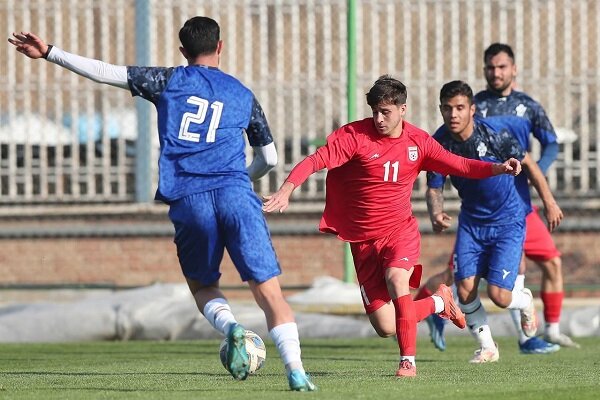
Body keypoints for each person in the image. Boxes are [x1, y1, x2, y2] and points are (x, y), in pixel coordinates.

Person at [8, 17, 317, 391]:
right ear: (220, 46)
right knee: (269, 292)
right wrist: (240, 179)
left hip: (189, 198)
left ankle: (231, 326)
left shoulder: (169, 81)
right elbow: (268, 158)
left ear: (183, 52)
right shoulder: (242, 93)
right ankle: (296, 370)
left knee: (202, 285)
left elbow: (107, 72)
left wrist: (50, 53)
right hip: (236, 193)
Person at [263, 75, 522, 377]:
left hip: (400, 231)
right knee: (386, 326)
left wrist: (497, 168)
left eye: (385, 111)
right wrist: (287, 189)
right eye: (374, 110)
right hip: (362, 242)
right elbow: (316, 160)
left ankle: (408, 363)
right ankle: (439, 301)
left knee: (397, 279)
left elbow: (459, 164)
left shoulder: (419, 142)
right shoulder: (355, 136)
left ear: (403, 109)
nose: (378, 118)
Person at [418, 42, 579, 353]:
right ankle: (490, 344)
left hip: (515, 208)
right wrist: (435, 213)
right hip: (474, 219)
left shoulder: (522, 110)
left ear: (513, 69)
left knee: (526, 275)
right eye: (491, 67)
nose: (496, 72)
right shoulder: (449, 130)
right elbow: (434, 185)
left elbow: (541, 152)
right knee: (465, 282)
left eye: (502, 66)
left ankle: (541, 330)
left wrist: (542, 190)